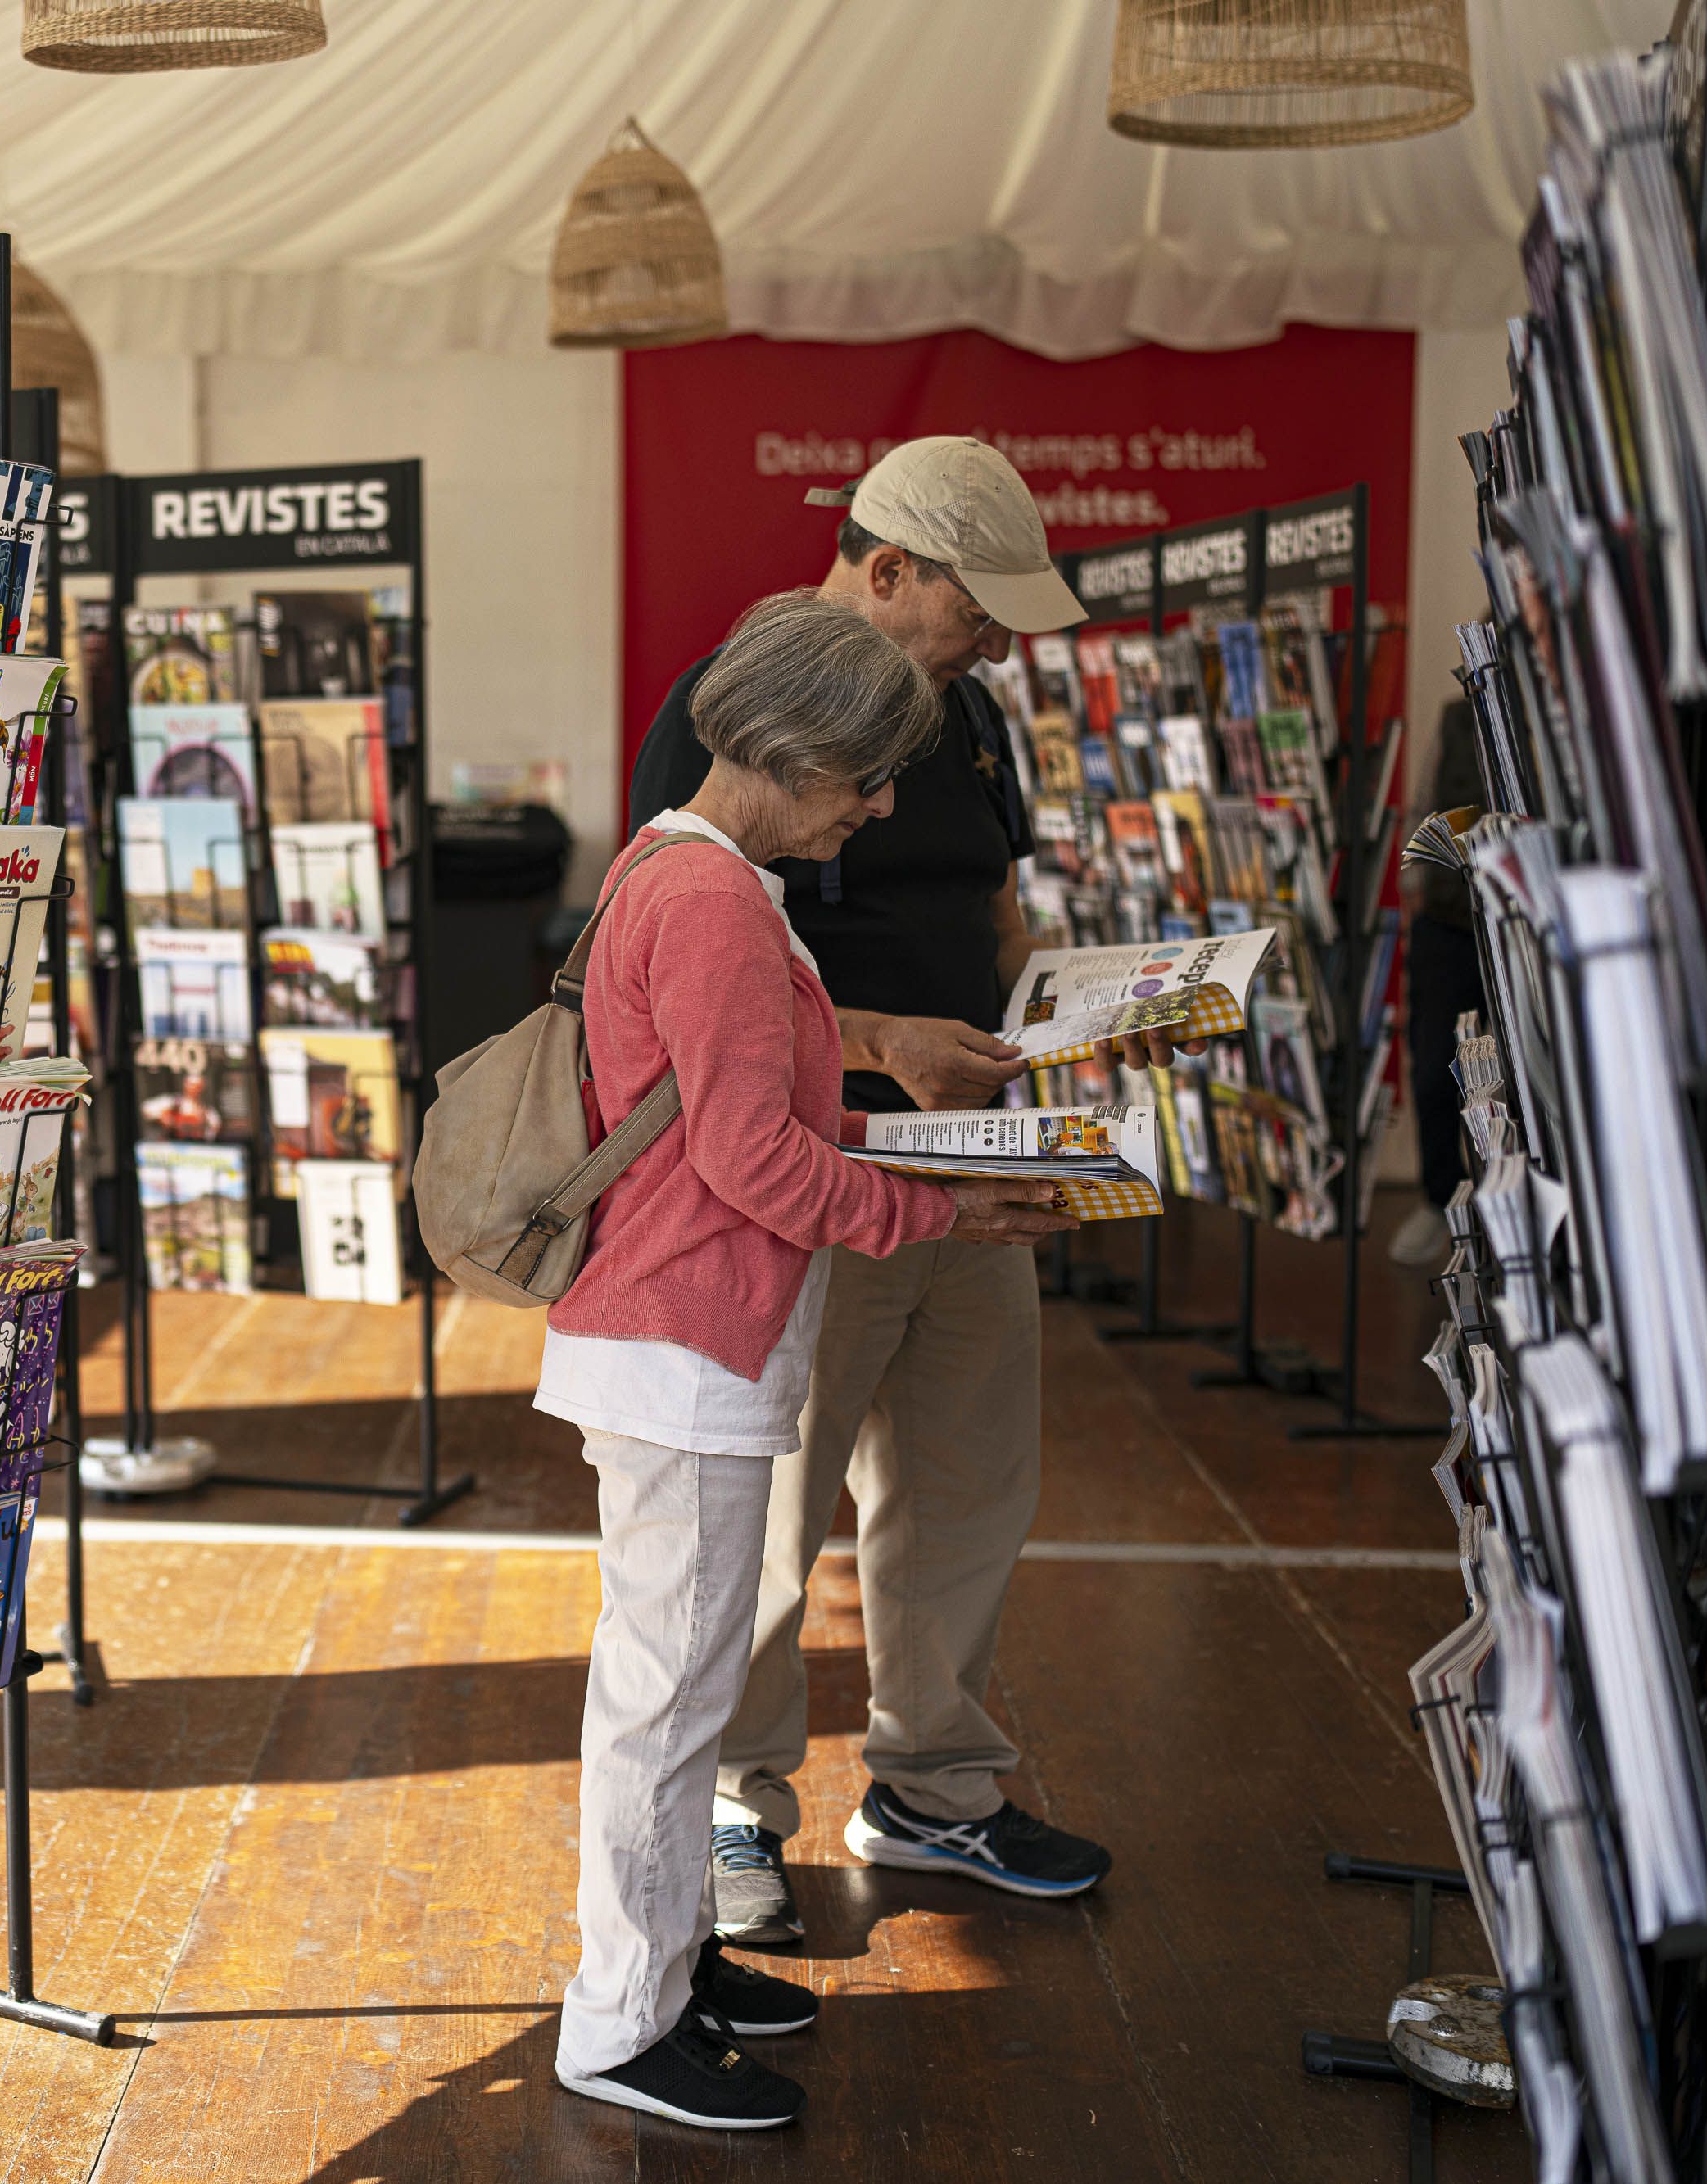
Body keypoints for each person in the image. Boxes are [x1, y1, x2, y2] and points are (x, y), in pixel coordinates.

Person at [623, 436, 1180, 1939]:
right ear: (885, 572)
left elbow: (1001, 920)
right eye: (975, 608)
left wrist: (1098, 1015)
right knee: (772, 1500)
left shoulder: (973, 717)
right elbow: (682, 965)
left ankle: (935, 1783)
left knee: (968, 1479)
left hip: (974, 1161)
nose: (996, 640)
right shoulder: (722, 712)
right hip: (804, 1174)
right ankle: (738, 1797)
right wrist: (884, 1048)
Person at [544, 589, 1075, 2132]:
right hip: (683, 1342)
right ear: (792, 753)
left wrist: (930, 1174)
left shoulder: (696, 871)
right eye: (866, 775)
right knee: (666, 1699)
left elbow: (761, 1120)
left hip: (688, 1335)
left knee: (688, 1689)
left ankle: (670, 1968)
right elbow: (751, 1161)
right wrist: (939, 1207)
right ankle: (620, 2021)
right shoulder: (709, 899)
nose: (884, 803)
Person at [1393, 699, 1488, 1270]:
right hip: (1448, 926)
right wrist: (1416, 890)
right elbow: (1426, 806)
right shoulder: (1456, 716)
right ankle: (1439, 1201)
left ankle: (1509, 1222)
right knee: (1433, 1071)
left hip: (1524, 928)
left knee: (1504, 1082)